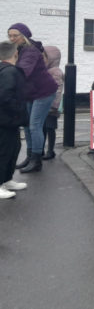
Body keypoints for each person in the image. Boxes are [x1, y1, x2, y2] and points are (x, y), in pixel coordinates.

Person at [8, 23, 58, 174]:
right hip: (29, 92)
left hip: (43, 92)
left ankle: (36, 160)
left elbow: (23, 70)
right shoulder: (19, 49)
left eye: (15, 36)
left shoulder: (30, 51)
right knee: (27, 125)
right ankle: (30, 156)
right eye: (9, 35)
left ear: (24, 36)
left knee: (35, 125)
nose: (11, 39)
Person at [0, 41, 28, 199]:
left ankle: (7, 179)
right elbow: (5, 96)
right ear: (15, 53)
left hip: (8, 120)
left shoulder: (4, 69)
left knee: (14, 147)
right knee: (4, 151)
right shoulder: (10, 72)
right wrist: (18, 111)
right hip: (6, 120)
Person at [42, 46, 63, 160]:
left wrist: (54, 105)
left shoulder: (55, 72)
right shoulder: (46, 71)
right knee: (43, 128)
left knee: (50, 128)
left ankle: (50, 150)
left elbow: (58, 90)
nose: (43, 59)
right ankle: (43, 149)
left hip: (51, 106)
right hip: (45, 105)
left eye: (45, 56)